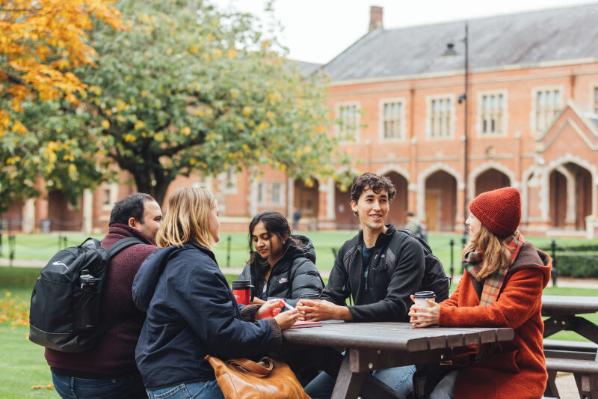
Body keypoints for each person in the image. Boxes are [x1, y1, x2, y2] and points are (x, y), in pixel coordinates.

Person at [132, 187, 299, 399]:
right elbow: (225, 335)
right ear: (202, 217)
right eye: (216, 214)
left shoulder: (174, 259)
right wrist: (274, 326)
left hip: (166, 377)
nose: (218, 221)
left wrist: (254, 313)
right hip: (188, 381)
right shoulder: (195, 266)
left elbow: (204, 313)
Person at [297, 172, 431, 399]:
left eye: (383, 199)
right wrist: (311, 308)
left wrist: (339, 311)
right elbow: (332, 296)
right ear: (354, 205)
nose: (377, 207)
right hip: (360, 350)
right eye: (370, 199)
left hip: (401, 351)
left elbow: (396, 306)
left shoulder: (408, 247)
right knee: (310, 394)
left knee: (380, 395)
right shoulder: (348, 250)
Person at [409, 187, 551, 399]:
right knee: (425, 389)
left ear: (489, 225)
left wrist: (441, 315)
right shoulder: (477, 260)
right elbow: (457, 300)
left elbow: (503, 315)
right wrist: (431, 311)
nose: (466, 221)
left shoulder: (528, 268)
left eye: (472, 216)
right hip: (473, 364)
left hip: (514, 371)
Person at [47, 193, 163, 399]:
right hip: (109, 380)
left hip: (61, 374)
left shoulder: (87, 253)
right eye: (157, 219)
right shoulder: (147, 256)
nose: (163, 226)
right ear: (133, 223)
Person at [239, 211, 324, 306]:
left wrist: (263, 304)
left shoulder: (302, 267)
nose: (259, 244)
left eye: (265, 237)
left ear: (284, 235)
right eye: (255, 239)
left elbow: (310, 306)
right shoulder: (251, 267)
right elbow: (235, 301)